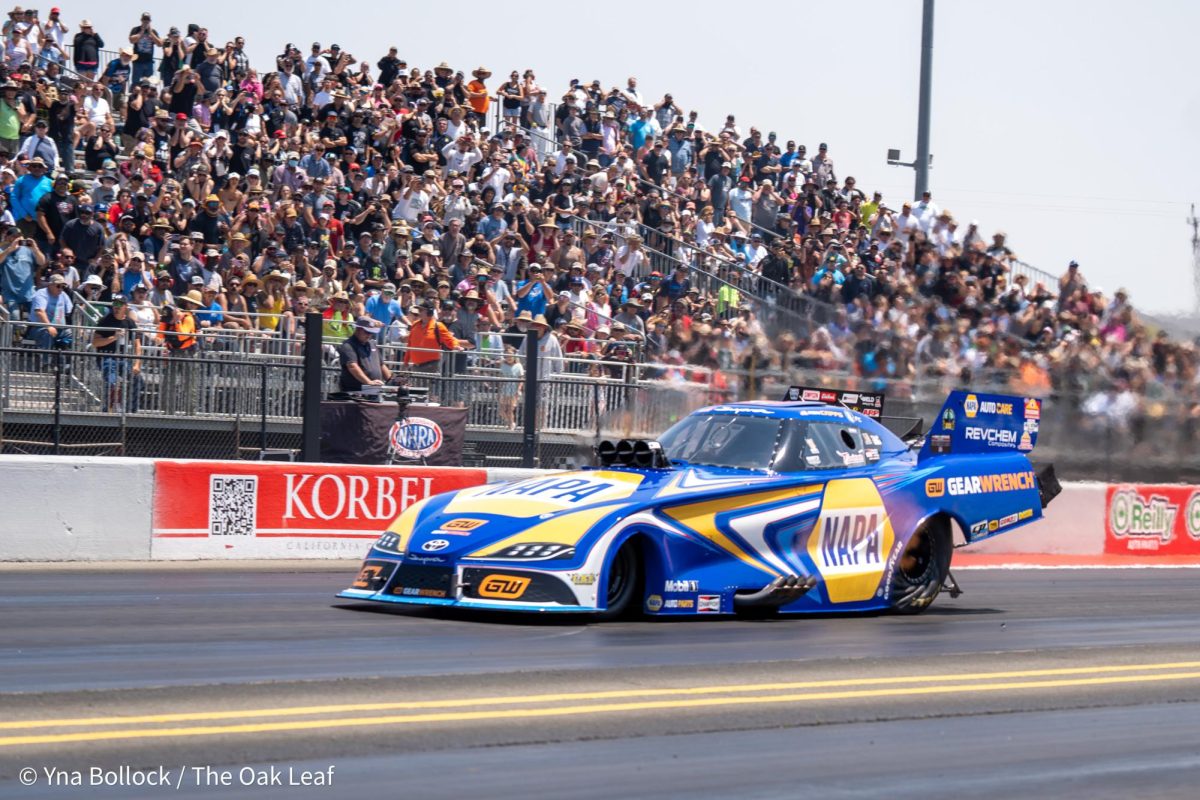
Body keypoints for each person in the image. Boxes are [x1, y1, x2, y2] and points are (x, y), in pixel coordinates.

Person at [92, 293, 142, 412]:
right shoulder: (105, 321)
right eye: (114, 304)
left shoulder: (130, 323)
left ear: (126, 306)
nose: (116, 306)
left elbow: (137, 345)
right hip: (106, 357)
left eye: (119, 304)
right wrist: (113, 338)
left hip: (123, 358)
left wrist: (137, 364)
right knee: (112, 381)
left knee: (138, 380)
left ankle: (131, 412)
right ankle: (107, 410)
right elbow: (95, 342)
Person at [337, 315, 392, 391]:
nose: (369, 335)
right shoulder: (348, 345)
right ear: (358, 329)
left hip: (374, 391)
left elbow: (381, 365)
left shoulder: (372, 344)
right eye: (367, 332)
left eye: (371, 332)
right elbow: (352, 366)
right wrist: (369, 382)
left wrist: (391, 381)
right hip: (355, 393)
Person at [29, 272, 72, 350]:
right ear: (50, 285)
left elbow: (71, 311)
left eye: (63, 286)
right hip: (39, 328)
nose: (61, 289)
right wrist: (49, 326)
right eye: (58, 286)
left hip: (61, 329)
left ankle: (66, 360)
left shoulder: (64, 295)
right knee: (48, 333)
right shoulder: (41, 294)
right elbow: (40, 312)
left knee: (74, 334)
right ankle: (45, 361)